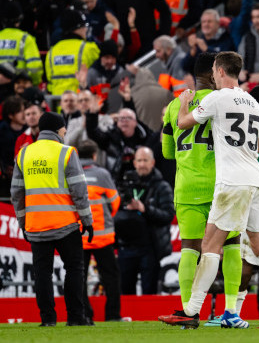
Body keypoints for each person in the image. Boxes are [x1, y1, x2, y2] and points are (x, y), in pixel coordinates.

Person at [159, 52, 259, 329]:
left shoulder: (217, 98)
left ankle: (191, 310)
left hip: (231, 182)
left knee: (209, 245)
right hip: (257, 181)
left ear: (219, 71)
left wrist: (184, 104)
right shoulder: (253, 103)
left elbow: (183, 123)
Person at [161, 52, 245, 328]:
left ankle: (187, 313)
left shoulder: (174, 106)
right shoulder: (221, 101)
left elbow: (166, 152)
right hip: (219, 185)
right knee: (231, 244)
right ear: (214, 73)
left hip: (186, 187)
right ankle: (231, 310)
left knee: (190, 248)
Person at [10, 112, 93, 326]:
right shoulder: (66, 152)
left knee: (42, 274)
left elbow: (16, 194)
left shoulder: (24, 153)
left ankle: (48, 320)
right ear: (59, 129)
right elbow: (79, 190)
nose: (65, 132)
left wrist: (23, 223)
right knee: (74, 269)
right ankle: (76, 318)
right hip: (65, 224)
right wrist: (87, 220)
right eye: (64, 129)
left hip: (36, 226)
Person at [113, 147, 175, 295]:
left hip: (150, 248)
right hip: (126, 247)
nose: (142, 164)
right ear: (134, 163)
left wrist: (144, 208)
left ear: (152, 162)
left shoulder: (162, 186)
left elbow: (168, 215)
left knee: (150, 293)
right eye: (139, 160)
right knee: (125, 292)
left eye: (145, 160)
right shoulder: (124, 185)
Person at [77, 139, 122, 323]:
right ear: (94, 155)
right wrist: (107, 217)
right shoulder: (102, 174)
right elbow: (115, 201)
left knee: (78, 277)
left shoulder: (71, 173)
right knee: (111, 277)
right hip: (102, 236)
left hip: (79, 236)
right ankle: (112, 315)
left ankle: (85, 314)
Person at [45, 9, 100, 96]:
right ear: (76, 28)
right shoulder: (89, 48)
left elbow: (50, 82)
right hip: (81, 103)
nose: (86, 29)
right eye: (83, 26)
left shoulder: (52, 52)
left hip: (57, 104)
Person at [0, 1, 43, 84]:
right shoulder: (25, 39)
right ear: (19, 20)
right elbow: (34, 67)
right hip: (19, 87)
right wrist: (33, 83)